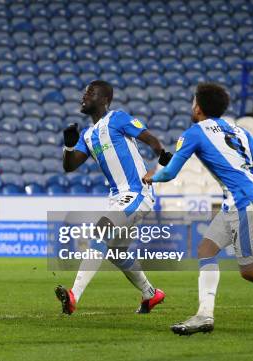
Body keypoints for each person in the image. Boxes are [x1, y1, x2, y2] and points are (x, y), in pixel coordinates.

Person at [143, 82, 253, 335]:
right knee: (207, 249)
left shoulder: (194, 132)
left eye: (194, 101)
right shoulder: (239, 130)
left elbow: (170, 173)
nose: (192, 106)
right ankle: (204, 315)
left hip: (246, 202)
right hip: (242, 199)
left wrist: (151, 177)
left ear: (199, 107)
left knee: (250, 271)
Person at [55, 80, 172, 315]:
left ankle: (73, 295)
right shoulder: (87, 135)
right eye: (85, 92)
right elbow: (70, 167)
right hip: (117, 198)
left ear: (105, 100)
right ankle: (151, 294)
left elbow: (155, 144)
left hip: (137, 193)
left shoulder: (117, 118)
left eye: (91, 93)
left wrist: (156, 170)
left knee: (101, 231)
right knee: (117, 253)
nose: (84, 96)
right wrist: (68, 146)